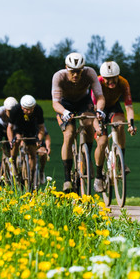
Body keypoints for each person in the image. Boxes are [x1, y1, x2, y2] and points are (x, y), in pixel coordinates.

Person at [51, 52, 106, 193]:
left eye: (78, 71)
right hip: (65, 105)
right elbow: (55, 103)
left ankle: (87, 155)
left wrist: (99, 110)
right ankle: (67, 179)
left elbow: (99, 96)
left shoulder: (90, 73)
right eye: (72, 72)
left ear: (83, 69)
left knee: (89, 124)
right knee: (69, 135)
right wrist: (64, 112)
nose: (75, 75)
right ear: (66, 68)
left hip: (83, 102)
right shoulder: (59, 76)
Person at [93, 61, 136, 189]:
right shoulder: (97, 82)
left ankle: (120, 161)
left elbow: (128, 106)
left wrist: (131, 124)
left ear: (118, 76)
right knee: (102, 141)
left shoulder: (123, 83)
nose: (111, 81)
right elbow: (94, 107)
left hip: (113, 106)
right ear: (102, 77)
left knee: (120, 125)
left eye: (114, 78)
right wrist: (97, 126)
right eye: (107, 79)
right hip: (97, 108)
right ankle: (98, 176)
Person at [7, 95, 46, 186]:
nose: (29, 112)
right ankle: (12, 162)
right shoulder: (15, 110)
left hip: (32, 129)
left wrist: (39, 140)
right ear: (21, 107)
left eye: (31, 109)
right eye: (26, 109)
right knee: (16, 141)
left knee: (32, 153)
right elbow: (9, 127)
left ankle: (31, 175)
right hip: (19, 128)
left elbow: (41, 128)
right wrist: (11, 141)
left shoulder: (38, 110)